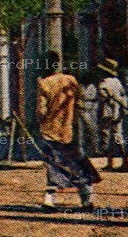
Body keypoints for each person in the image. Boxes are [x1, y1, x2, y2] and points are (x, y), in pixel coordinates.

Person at [36, 51, 101, 210]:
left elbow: (41, 111)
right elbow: (79, 102)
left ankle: (49, 200)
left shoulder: (44, 84)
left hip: (50, 132)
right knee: (79, 164)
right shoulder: (71, 80)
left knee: (54, 165)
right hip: (69, 131)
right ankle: (86, 200)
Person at [96, 58, 128, 171]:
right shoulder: (117, 82)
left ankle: (110, 162)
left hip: (108, 112)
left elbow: (103, 97)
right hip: (118, 111)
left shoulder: (103, 83)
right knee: (118, 136)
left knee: (107, 136)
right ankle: (124, 161)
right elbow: (123, 96)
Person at [75, 66, 102, 159]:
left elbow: (97, 98)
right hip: (82, 108)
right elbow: (77, 98)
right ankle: (81, 151)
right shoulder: (80, 87)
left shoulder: (93, 87)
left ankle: (95, 149)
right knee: (81, 131)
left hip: (92, 107)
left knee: (93, 129)